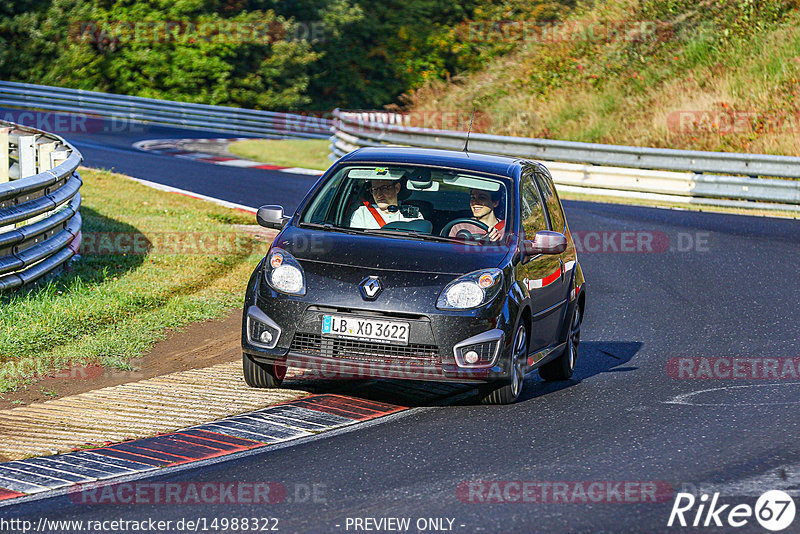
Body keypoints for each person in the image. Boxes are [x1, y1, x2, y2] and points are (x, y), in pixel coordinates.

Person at [349, 179, 423, 229]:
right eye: (375, 190)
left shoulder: (412, 214)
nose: (379, 194)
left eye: (384, 188)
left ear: (397, 188)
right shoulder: (362, 213)